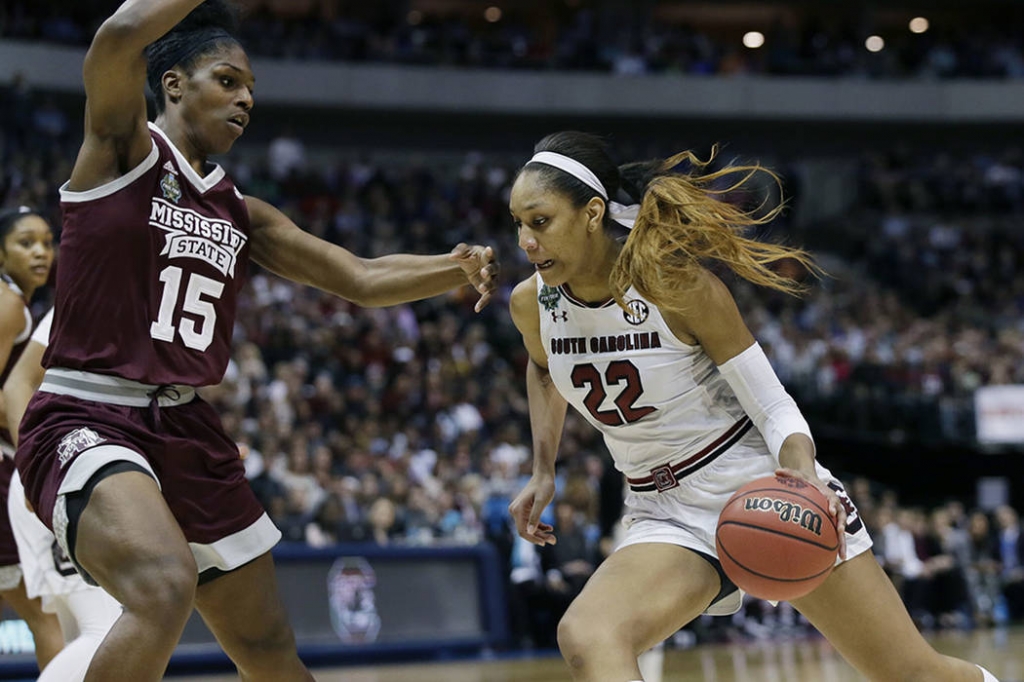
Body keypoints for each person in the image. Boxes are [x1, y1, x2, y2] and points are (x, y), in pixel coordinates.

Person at [13, 2, 498, 681]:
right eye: (228, 79)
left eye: (251, 90)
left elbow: (358, 278)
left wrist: (452, 266)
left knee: (270, 652)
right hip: (87, 411)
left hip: (184, 425)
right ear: (175, 83)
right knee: (162, 587)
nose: (244, 99)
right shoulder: (124, 149)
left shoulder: (242, 210)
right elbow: (119, 36)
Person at [505, 131, 1000, 682]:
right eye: (518, 224)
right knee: (590, 636)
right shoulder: (532, 303)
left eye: (540, 221)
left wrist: (803, 476)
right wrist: (542, 468)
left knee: (912, 674)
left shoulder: (678, 286)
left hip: (757, 487)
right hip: (663, 510)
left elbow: (773, 405)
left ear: (593, 213)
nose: (525, 240)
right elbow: (544, 369)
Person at [5, 308, 123, 682]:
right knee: (110, 631)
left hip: (75, 478)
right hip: (58, 477)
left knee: (82, 635)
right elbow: (16, 385)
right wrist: (33, 467)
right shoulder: (89, 295)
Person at [0, 206, 64, 671]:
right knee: (47, 617)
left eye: (47, 240)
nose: (42, 252)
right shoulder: (9, 305)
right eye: (26, 242)